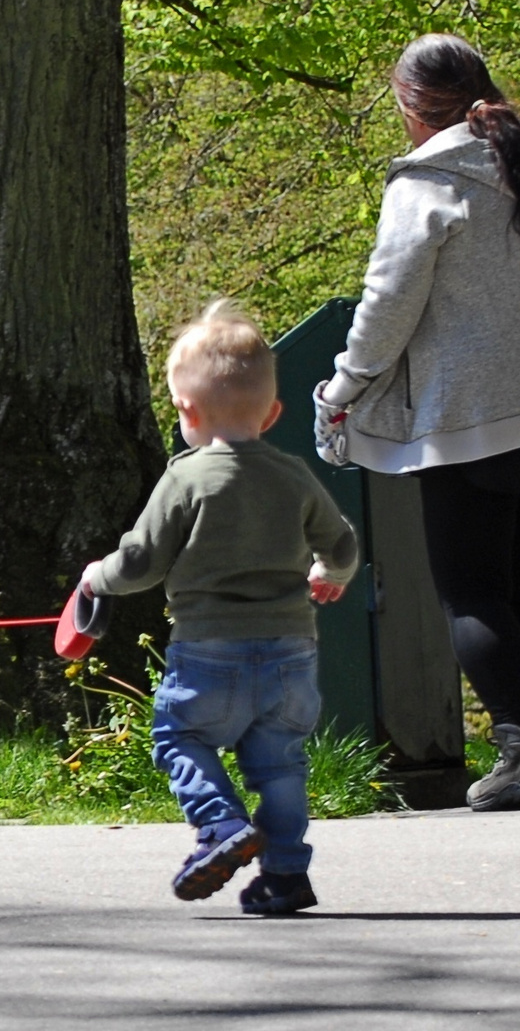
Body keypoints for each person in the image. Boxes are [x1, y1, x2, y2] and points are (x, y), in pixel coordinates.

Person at [314, 34, 520, 811]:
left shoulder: (426, 182)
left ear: (410, 106)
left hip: (472, 414)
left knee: (470, 589)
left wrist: (344, 386)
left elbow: (387, 306)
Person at [84, 302, 358, 914]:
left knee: (179, 736)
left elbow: (142, 561)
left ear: (186, 409)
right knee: (280, 764)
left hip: (209, 651)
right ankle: (286, 875)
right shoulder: (293, 475)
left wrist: (96, 579)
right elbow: (340, 541)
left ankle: (220, 825)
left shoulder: (185, 479)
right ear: (274, 411)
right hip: (291, 652)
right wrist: (328, 572)